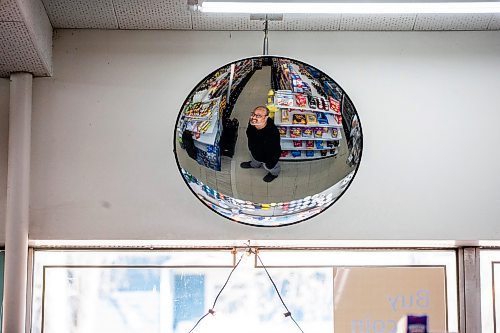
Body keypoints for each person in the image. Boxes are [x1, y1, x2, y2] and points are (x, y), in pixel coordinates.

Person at [240, 106, 282, 182]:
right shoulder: (252, 122)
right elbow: (249, 132)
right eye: (253, 114)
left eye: (258, 116)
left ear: (266, 118)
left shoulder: (272, 133)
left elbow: (274, 152)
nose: (253, 117)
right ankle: (254, 165)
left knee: (272, 167)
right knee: (254, 159)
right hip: (254, 152)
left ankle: (274, 174)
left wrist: (270, 164)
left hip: (267, 159)